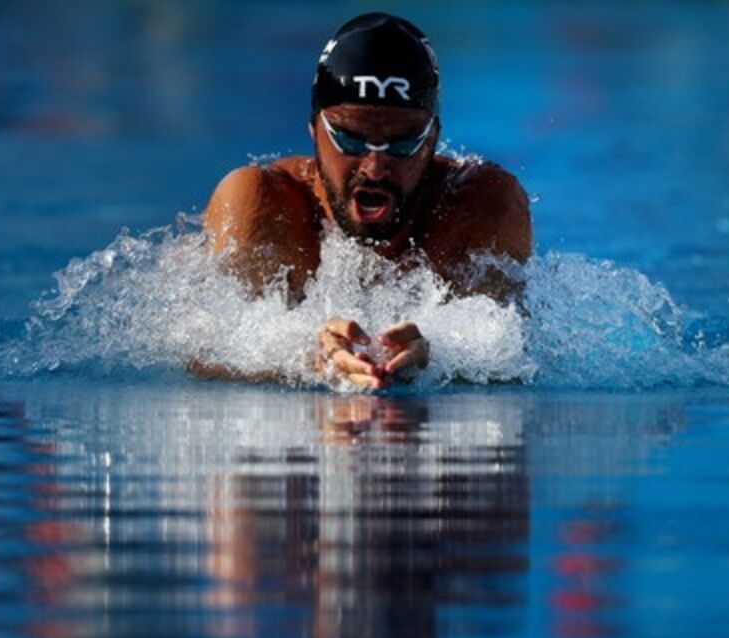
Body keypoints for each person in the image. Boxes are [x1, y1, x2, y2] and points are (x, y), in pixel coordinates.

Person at [197, 12, 532, 389]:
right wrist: (305, 356)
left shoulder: (482, 206)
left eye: (403, 140)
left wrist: (439, 355)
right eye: (351, 138)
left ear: (434, 137)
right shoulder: (261, 204)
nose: (374, 168)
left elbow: (511, 353)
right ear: (313, 130)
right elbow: (205, 349)